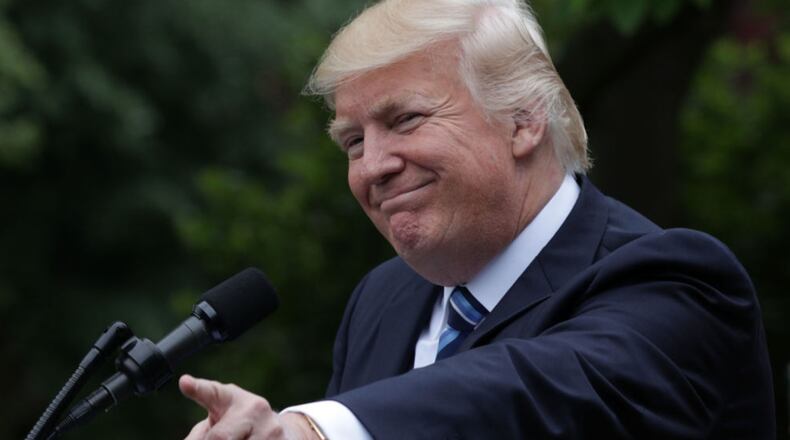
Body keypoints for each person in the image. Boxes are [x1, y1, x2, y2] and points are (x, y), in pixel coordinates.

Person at [178, 0, 776, 438]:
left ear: (523, 119)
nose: (373, 167)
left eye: (406, 120)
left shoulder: (675, 282)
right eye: (354, 141)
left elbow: (539, 393)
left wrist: (318, 430)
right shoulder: (381, 302)